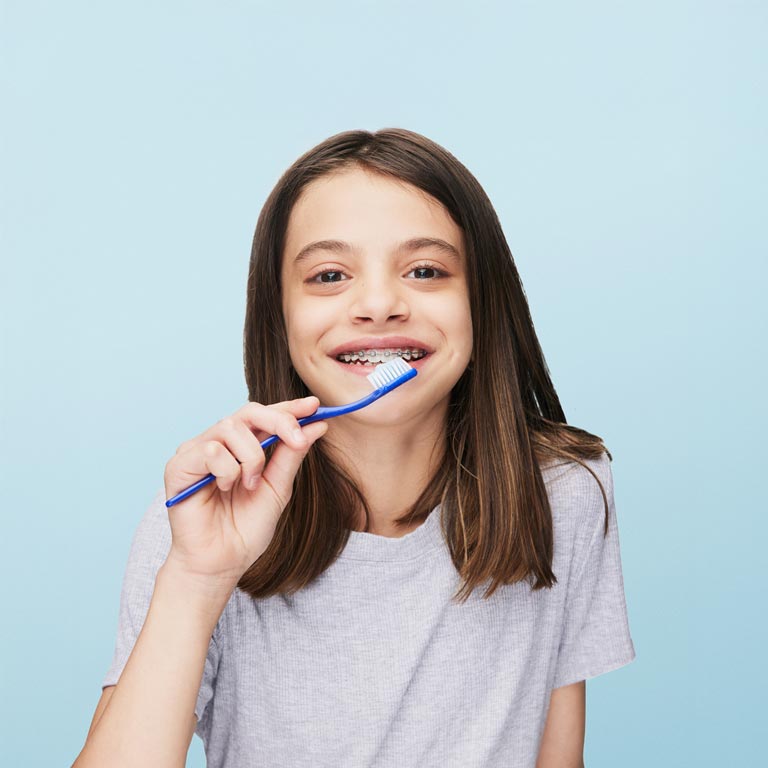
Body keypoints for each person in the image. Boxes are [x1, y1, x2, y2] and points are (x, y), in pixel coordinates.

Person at [73, 128, 635, 768]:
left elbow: (556, 757)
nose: (377, 305)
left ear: (482, 300)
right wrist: (197, 580)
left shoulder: (564, 491)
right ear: (278, 316)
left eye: (425, 270)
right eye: (329, 275)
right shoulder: (205, 513)